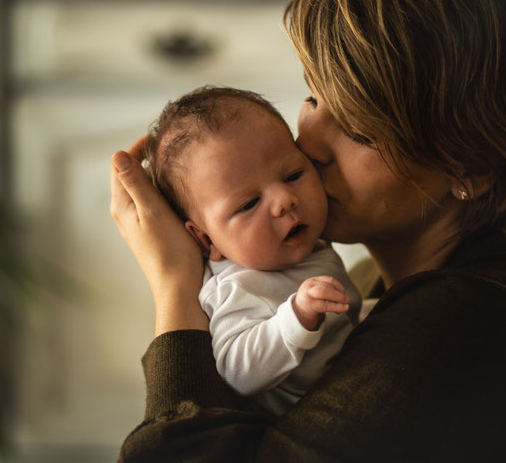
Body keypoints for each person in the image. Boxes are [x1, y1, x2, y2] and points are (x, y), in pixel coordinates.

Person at [109, 0, 506, 461]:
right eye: (313, 97)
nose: (310, 145)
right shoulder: (382, 275)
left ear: (471, 166)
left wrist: (175, 282)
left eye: (361, 129)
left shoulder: (467, 324)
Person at [142, 86, 362, 416]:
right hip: (299, 423)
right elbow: (238, 371)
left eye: (293, 175)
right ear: (207, 241)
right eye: (249, 203)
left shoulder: (303, 251)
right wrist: (296, 316)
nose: (284, 200)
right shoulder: (237, 286)